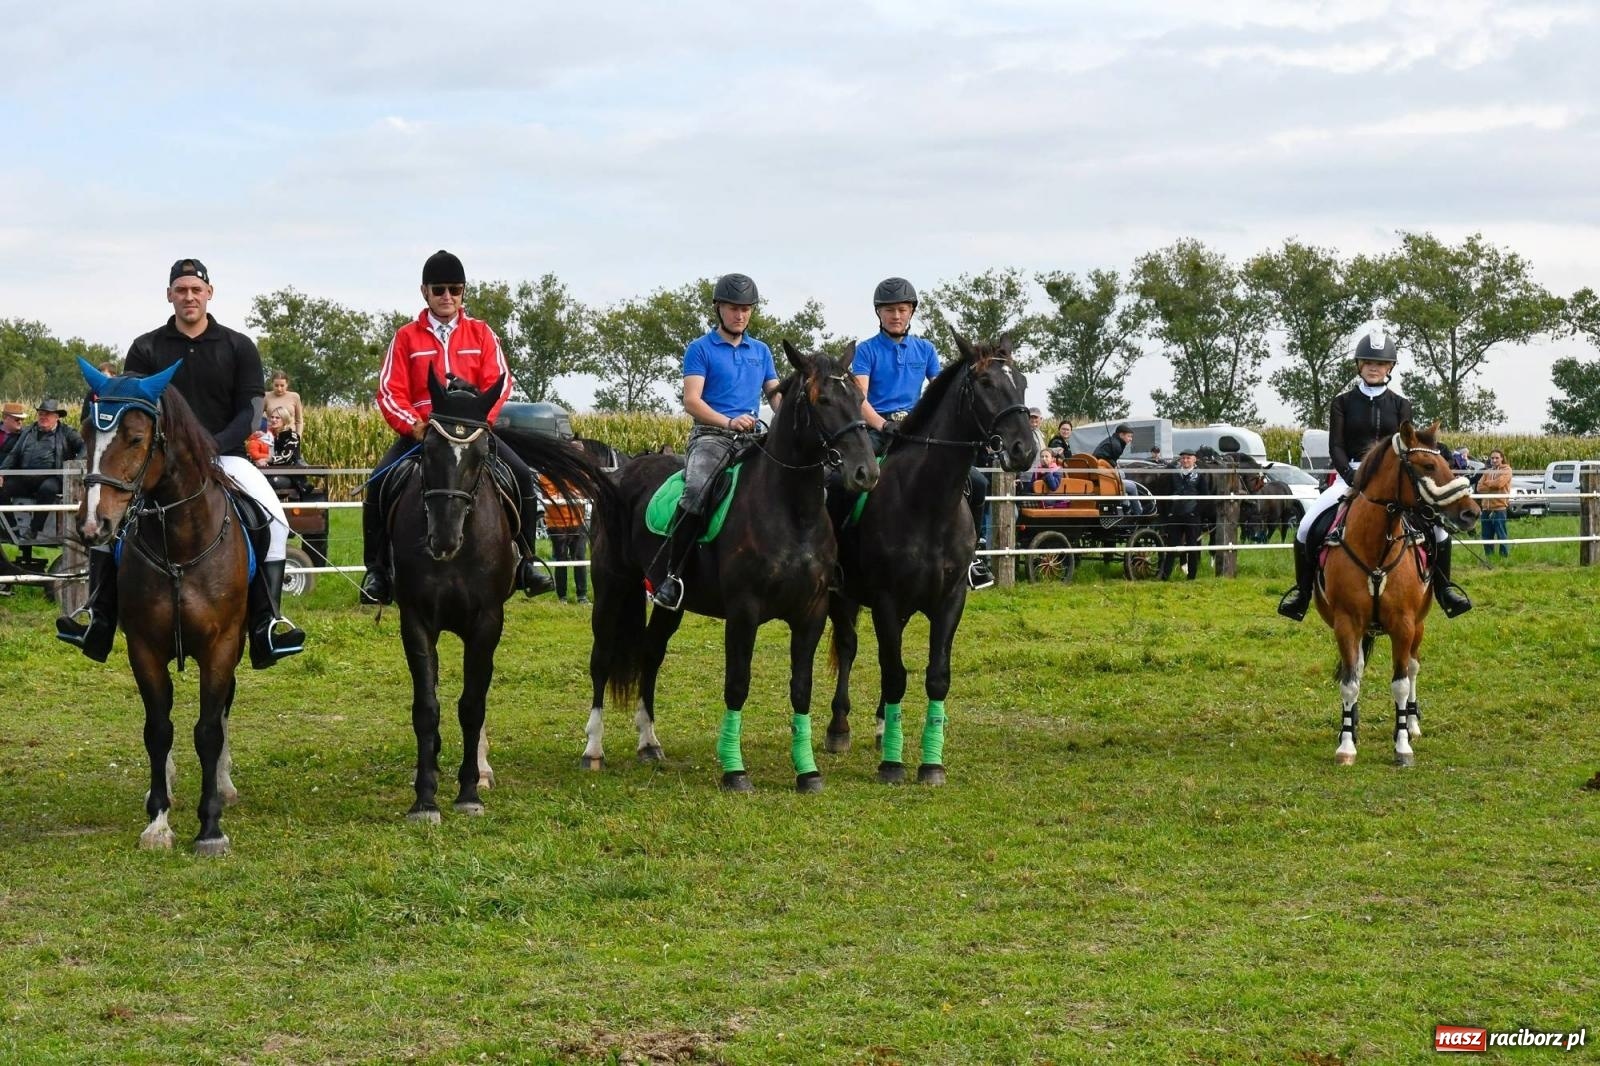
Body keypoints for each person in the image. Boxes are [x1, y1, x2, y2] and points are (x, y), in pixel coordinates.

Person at [58, 258, 307, 667]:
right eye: (181, 289)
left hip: (226, 457)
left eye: (196, 289)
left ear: (209, 293)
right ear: (169, 295)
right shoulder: (147, 346)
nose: (188, 296)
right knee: (111, 521)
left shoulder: (238, 345)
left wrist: (211, 447)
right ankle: (98, 616)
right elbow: (129, 409)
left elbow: (250, 408)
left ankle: (267, 622)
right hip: (159, 465)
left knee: (274, 520)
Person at [362, 249, 553, 605]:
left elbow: (500, 381)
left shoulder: (482, 334)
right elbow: (389, 391)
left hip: (474, 432)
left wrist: (483, 423)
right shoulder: (406, 338)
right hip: (424, 434)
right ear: (425, 292)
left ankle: (528, 561)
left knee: (522, 476)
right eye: (439, 289)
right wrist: (412, 426)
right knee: (378, 481)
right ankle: (376, 571)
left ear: (463, 292)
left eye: (454, 289)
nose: (447, 296)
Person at [1277, 330, 1471, 620]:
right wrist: (1352, 477)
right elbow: (1337, 447)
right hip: (1350, 477)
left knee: (1439, 529)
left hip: (1391, 480)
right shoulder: (1342, 402)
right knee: (1306, 527)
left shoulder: (1400, 404)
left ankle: (1444, 591)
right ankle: (1302, 594)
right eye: (1368, 362)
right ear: (1359, 365)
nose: (1374, 367)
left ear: (1389, 368)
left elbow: (1407, 444)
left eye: (1380, 363)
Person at [850, 276, 995, 589]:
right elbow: (859, 398)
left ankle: (972, 555)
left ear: (912, 312)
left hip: (918, 432)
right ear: (879, 314)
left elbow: (943, 391)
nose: (896, 315)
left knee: (979, 481)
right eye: (889, 310)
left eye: (902, 309)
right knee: (843, 483)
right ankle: (842, 554)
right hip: (879, 430)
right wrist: (883, 425)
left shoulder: (926, 349)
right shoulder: (865, 351)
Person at [652, 272, 780, 611]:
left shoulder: (762, 351)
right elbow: (692, 401)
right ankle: (673, 576)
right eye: (733, 308)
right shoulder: (700, 349)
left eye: (746, 309)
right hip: (712, 436)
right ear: (718, 309)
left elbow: (775, 396)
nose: (740, 315)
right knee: (696, 490)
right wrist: (728, 421)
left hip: (754, 438)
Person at [0, 399, 84, 543]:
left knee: (48, 489)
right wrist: (1, 473)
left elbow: (85, 446)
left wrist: (77, 463)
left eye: (48, 414)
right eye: (41, 414)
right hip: (25, 478)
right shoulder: (28, 431)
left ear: (56, 417)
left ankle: (33, 530)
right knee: (1, 488)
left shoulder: (66, 432)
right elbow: (14, 454)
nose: (43, 417)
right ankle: (11, 529)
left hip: (51, 478)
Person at [540, 441, 590, 605]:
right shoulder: (551, 471)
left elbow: (585, 489)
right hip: (557, 523)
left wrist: (570, 494)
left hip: (578, 522)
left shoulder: (582, 472)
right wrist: (570, 494)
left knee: (580, 558)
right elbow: (549, 492)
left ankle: (582, 596)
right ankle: (561, 596)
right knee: (561, 559)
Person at [1162, 449, 1204, 580]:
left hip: (1192, 515)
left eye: (1188, 458)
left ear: (1194, 459)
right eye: (1183, 458)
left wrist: (1196, 512)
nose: (1185, 460)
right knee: (1171, 546)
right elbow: (1167, 492)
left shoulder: (1200, 475)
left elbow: (1206, 495)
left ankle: (1192, 577)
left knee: (1192, 546)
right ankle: (1165, 576)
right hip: (1175, 514)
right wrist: (1169, 512)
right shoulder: (1174, 474)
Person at [1477, 449, 1512, 558]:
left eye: (1497, 458)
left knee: (1501, 534)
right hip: (1486, 509)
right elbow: (1479, 487)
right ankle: (1489, 557)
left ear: (1502, 458)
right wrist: (1492, 486)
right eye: (1492, 458)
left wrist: (1487, 484)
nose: (1494, 460)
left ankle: (1504, 557)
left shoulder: (1507, 470)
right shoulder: (1487, 472)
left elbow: (1500, 484)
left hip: (1499, 508)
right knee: (1486, 535)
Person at [267, 371, 304, 435]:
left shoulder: (295, 397)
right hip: (271, 437)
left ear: (287, 384)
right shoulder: (266, 396)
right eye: (276, 385)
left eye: (282, 385)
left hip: (290, 436)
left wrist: (298, 437)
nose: (279, 389)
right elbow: (257, 418)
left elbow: (299, 421)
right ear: (272, 384)